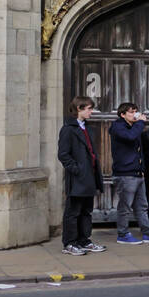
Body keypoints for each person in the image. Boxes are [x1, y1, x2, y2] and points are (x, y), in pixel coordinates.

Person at [108, 102, 149, 244]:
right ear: (122, 114)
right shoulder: (118, 127)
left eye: (135, 111)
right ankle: (123, 234)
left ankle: (148, 233)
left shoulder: (133, 127)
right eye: (131, 112)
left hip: (137, 172)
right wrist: (140, 122)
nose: (135, 114)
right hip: (125, 173)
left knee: (142, 206)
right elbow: (129, 137)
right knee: (125, 206)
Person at [57, 96, 107, 256]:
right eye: (89, 109)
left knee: (86, 211)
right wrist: (77, 169)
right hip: (78, 177)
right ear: (79, 109)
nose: (91, 112)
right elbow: (63, 155)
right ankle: (70, 243)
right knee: (73, 211)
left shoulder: (88, 128)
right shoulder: (68, 129)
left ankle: (84, 240)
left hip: (90, 176)